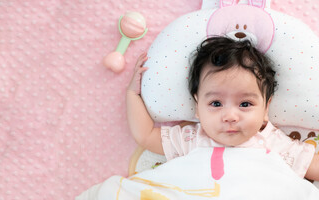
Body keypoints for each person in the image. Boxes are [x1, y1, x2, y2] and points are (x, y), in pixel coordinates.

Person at [126, 36, 319, 181]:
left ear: (265, 109)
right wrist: (133, 95)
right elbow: (146, 135)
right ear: (197, 107)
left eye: (245, 104)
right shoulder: (191, 139)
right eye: (216, 104)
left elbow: (313, 166)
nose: (230, 116)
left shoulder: (273, 143)